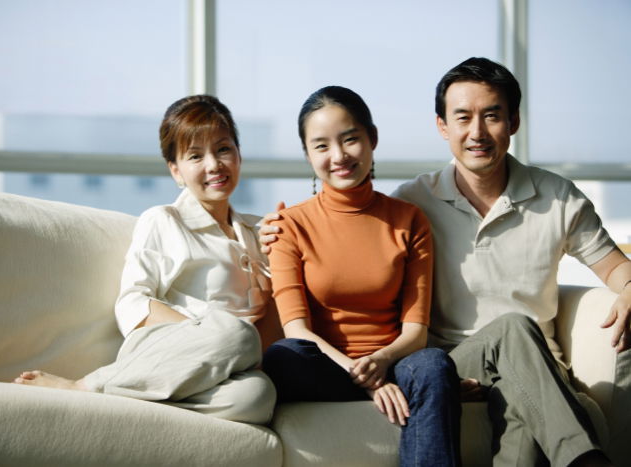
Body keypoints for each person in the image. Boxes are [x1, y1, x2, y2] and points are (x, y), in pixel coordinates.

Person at [261, 58, 631, 465]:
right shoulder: (414, 200)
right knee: (491, 336)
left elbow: (614, 266)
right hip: (446, 362)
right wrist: (263, 231)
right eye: (462, 118)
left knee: (514, 341)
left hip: (525, 365)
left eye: (491, 116)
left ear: (513, 121)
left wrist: (629, 288)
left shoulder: (557, 198)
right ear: (443, 127)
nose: (477, 132)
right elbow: (348, 236)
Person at [14, 95, 276, 425]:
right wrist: (199, 333)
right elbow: (132, 302)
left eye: (223, 149)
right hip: (171, 351)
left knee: (258, 396)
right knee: (237, 334)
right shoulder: (164, 220)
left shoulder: (258, 230)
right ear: (176, 171)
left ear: (238, 154)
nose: (214, 164)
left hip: (231, 370)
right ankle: (88, 386)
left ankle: (142, 399)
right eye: (196, 156)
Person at [262, 86, 461, 467]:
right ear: (308, 155)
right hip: (324, 367)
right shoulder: (289, 225)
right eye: (321, 146)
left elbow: (415, 332)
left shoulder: (409, 219)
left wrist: (382, 364)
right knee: (283, 356)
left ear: (372, 139)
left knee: (434, 365)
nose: (338, 156)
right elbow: (297, 331)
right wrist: (368, 381)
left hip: (393, 362)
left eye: (350, 139)